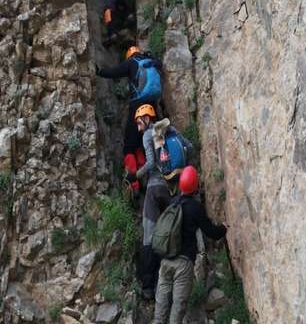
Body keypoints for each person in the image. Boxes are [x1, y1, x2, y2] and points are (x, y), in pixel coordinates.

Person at [134, 104, 193, 300]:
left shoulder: (147, 135)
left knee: (149, 235)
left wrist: (135, 175)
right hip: (173, 188)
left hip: (153, 189)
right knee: (174, 230)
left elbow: (150, 163)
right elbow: (190, 148)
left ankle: (149, 286)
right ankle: (177, 282)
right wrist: (178, 172)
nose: (137, 126)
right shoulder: (171, 131)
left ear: (147, 118)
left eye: (139, 121)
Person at [154, 166, 227, 324]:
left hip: (165, 261)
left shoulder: (172, 203)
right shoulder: (195, 207)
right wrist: (224, 228)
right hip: (183, 264)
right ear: (195, 185)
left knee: (161, 307)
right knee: (178, 308)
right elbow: (211, 232)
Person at [96, 46, 163, 196]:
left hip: (137, 109)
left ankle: (134, 185)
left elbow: (114, 72)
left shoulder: (130, 62)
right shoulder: (150, 61)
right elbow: (160, 64)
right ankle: (149, 178)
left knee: (129, 147)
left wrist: (99, 71)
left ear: (129, 55)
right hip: (152, 108)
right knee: (145, 144)